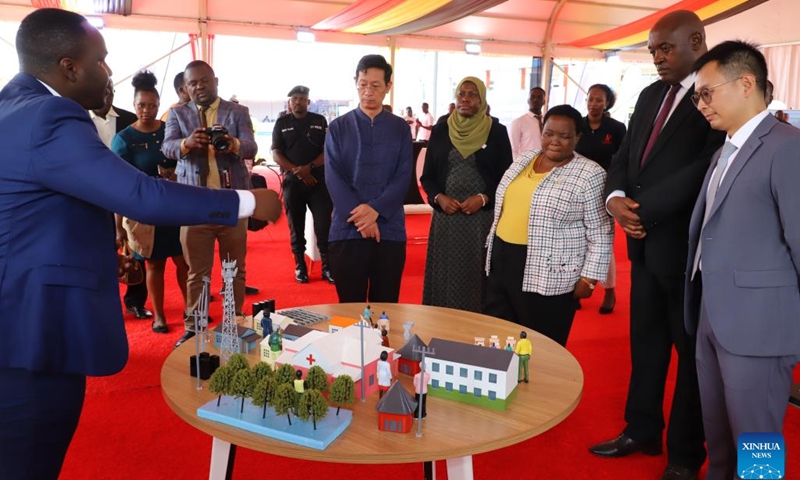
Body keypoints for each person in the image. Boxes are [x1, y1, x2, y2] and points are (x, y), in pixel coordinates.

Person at [0, 9, 280, 480]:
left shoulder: (13, 105)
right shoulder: (52, 115)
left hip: (20, 306)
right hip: (31, 330)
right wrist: (247, 202)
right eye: (102, 61)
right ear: (69, 67)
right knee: (29, 457)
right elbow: (140, 195)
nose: (109, 72)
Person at [589, 11, 725, 480]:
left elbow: (707, 168)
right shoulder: (649, 94)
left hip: (687, 251)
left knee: (689, 358)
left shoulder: (717, 94)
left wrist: (644, 210)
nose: (658, 57)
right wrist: (615, 199)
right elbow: (625, 158)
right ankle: (641, 429)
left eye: (665, 48)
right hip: (643, 250)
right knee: (645, 345)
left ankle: (686, 457)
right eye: (652, 51)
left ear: (695, 40)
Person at [686, 40, 800, 480]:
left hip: (760, 326)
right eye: (697, 96)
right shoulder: (724, 151)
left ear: (747, 83)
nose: (701, 105)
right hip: (713, 314)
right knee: (718, 435)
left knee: (757, 439)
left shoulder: (787, 147)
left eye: (707, 92)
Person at [483, 105, 612, 347]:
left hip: (549, 272)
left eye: (564, 136)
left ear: (577, 137)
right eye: (549, 133)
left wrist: (590, 278)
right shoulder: (524, 159)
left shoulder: (590, 173)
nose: (555, 141)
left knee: (541, 344)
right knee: (499, 337)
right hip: (502, 260)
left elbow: (601, 230)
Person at [162, 60, 260, 349]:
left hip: (232, 203)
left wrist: (234, 145)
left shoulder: (238, 111)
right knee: (197, 272)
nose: (199, 87)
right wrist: (187, 143)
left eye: (204, 81)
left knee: (235, 269)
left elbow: (252, 147)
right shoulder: (177, 114)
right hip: (194, 205)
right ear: (186, 87)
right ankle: (195, 327)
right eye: (193, 83)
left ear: (215, 81)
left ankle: (235, 321)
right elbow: (167, 147)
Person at [325, 54, 413, 303]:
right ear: (356, 82)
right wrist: (363, 219)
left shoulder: (400, 128)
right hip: (347, 230)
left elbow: (403, 175)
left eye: (375, 85)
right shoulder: (338, 127)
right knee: (349, 309)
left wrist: (376, 210)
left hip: (390, 229)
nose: (368, 92)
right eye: (363, 84)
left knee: (386, 310)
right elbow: (334, 177)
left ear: (388, 86)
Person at [420, 76, 512, 313]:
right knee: (445, 275)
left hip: (481, 221)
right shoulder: (441, 130)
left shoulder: (497, 132)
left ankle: (476, 327)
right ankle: (442, 325)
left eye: (472, 94)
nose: (466, 98)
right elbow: (427, 177)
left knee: (477, 275)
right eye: (461, 93)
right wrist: (439, 197)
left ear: (482, 99)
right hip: (446, 220)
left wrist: (483, 199)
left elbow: (506, 179)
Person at [111, 71, 187, 334]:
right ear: (134, 106)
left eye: (152, 105)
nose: (147, 110)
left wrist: (175, 174)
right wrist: (118, 226)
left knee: (184, 262)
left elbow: (186, 163)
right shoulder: (124, 140)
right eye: (142, 105)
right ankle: (160, 317)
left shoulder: (169, 131)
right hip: (144, 212)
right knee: (154, 265)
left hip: (176, 208)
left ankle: (191, 313)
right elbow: (118, 186)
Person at [90, 79, 152, 320]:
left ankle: (135, 302)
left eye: (110, 90)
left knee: (134, 250)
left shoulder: (129, 120)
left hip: (126, 196)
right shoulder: (76, 119)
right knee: (96, 250)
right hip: (91, 195)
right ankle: (99, 304)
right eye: (101, 89)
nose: (106, 95)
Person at [272, 85, 334, 285]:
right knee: (295, 228)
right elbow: (276, 153)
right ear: (289, 102)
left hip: (318, 182)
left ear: (308, 101)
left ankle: (327, 267)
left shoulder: (319, 121)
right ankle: (300, 266)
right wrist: (297, 171)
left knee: (324, 226)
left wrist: (310, 167)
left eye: (302, 98)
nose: (298, 102)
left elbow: (328, 150)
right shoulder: (281, 123)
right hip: (293, 183)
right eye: (294, 99)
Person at [575, 84, 627, 314]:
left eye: (599, 100)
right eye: (591, 99)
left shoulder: (616, 128)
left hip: (604, 192)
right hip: (576, 189)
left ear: (607, 103)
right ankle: (576, 288)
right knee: (576, 241)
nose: (594, 104)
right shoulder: (578, 126)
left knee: (602, 242)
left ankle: (609, 290)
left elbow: (623, 161)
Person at [509, 86, 546, 158]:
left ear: (544, 101)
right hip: (526, 164)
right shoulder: (518, 122)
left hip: (546, 163)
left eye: (539, 97)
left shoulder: (547, 121)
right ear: (528, 100)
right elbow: (513, 149)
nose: (535, 100)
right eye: (532, 97)